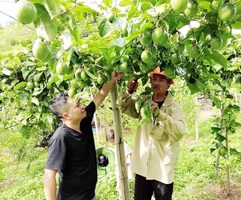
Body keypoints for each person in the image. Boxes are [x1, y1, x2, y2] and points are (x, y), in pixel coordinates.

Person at [43, 70, 123, 200]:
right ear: (66, 116)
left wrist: (112, 79)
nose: (82, 106)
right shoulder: (61, 138)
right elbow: (49, 175)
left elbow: (99, 97)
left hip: (90, 196)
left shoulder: (84, 120)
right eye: (77, 105)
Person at [117, 66, 186, 200]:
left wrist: (160, 115)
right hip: (143, 166)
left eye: (161, 80)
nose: (156, 83)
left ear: (168, 84)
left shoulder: (173, 107)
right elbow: (123, 106)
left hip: (162, 168)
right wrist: (128, 91)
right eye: (154, 79)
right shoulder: (144, 101)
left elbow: (179, 132)